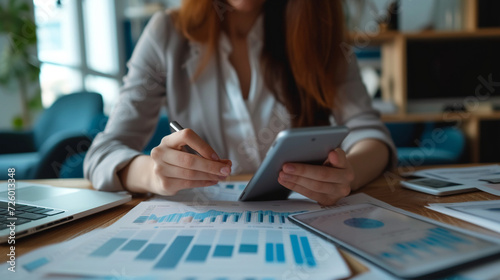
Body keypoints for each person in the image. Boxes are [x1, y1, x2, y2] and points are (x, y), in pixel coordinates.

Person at [84, 0, 396, 206]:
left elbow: (372, 136)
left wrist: (349, 173)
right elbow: (102, 154)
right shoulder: (167, 33)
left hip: (303, 219)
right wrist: (154, 174)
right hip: (204, 224)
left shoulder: (320, 34)